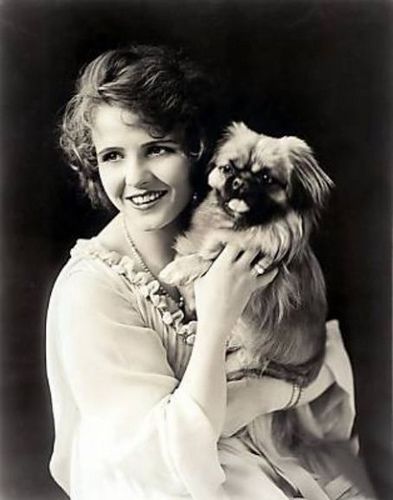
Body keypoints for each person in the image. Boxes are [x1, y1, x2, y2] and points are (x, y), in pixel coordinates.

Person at [46, 45, 375, 500]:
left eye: (157, 149)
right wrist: (217, 321)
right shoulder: (92, 291)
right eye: (112, 156)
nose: (136, 177)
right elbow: (161, 464)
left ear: (196, 148)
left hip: (276, 460)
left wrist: (265, 397)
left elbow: (312, 360)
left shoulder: (242, 232)